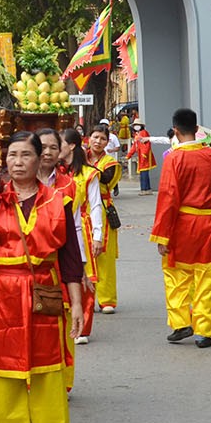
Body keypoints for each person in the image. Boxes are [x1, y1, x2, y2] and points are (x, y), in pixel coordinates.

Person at [0, 130, 77, 423]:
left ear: (40, 157)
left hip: (43, 284)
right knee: (3, 367)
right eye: (12, 155)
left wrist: (78, 304)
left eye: (25, 155)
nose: (17, 162)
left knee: (48, 365)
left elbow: (70, 256)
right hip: (2, 290)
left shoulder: (58, 200)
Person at [151, 108, 211, 347]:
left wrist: (162, 235)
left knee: (176, 276)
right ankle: (204, 331)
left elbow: (168, 198)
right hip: (209, 224)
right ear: (197, 129)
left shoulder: (173, 158)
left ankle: (181, 323)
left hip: (182, 225)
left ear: (175, 130)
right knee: (207, 277)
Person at [59, 127, 104, 344]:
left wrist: (98, 234)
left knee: (86, 277)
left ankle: (83, 328)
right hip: (59, 227)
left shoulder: (89, 173)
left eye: (58, 144)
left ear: (71, 146)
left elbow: (95, 205)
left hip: (83, 227)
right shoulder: (56, 173)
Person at [86, 126, 123, 314]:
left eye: (102, 138)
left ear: (107, 142)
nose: (98, 141)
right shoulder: (81, 158)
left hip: (103, 210)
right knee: (84, 255)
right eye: (95, 137)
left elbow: (106, 180)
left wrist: (82, 167)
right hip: (82, 210)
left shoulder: (110, 163)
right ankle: (86, 299)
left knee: (104, 257)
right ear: (88, 138)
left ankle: (107, 299)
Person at [128, 120, 156, 192]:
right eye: (135, 125)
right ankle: (146, 189)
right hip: (141, 155)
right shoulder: (137, 134)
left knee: (144, 172)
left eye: (138, 124)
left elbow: (147, 144)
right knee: (143, 172)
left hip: (144, 155)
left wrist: (144, 153)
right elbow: (135, 146)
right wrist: (129, 154)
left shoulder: (144, 133)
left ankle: (145, 189)